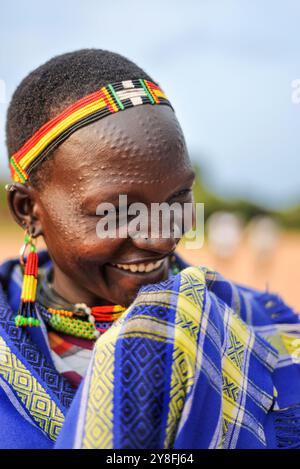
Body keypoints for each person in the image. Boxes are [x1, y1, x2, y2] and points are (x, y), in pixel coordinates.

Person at [1, 49, 300, 449]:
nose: (161, 238)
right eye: (118, 212)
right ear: (28, 211)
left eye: (178, 198)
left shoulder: (260, 331)